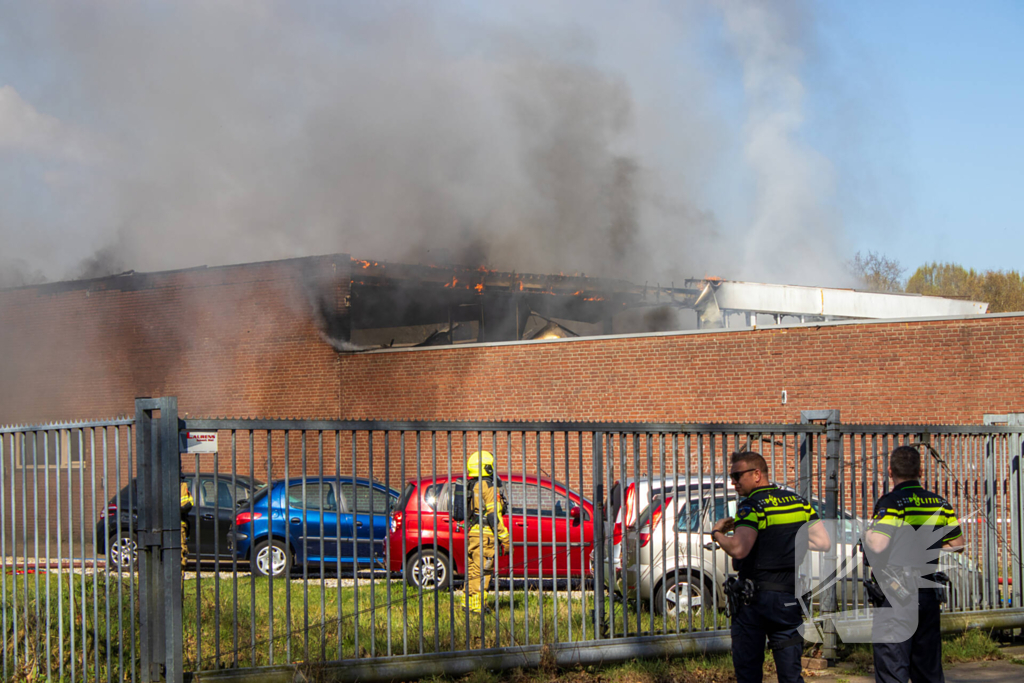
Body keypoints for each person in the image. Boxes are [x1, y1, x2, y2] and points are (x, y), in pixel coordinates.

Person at [712, 451, 832, 683]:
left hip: (755, 601)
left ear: (757, 474)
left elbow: (739, 549)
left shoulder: (751, 506)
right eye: (731, 476)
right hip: (788, 599)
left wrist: (717, 532)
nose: (733, 482)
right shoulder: (799, 502)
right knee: (790, 674)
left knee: (749, 672)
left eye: (737, 476)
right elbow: (823, 542)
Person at [862, 446, 964, 683]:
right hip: (927, 593)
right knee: (927, 670)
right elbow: (958, 545)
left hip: (897, 593)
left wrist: (867, 534)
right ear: (921, 470)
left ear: (890, 471)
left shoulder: (893, 502)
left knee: (893, 667)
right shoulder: (939, 503)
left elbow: (877, 545)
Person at [463, 450, 510, 615]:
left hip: (473, 533)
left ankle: (468, 603)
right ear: (487, 468)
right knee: (483, 571)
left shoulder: (472, 484)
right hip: (486, 536)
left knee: (472, 570)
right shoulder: (488, 486)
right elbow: (493, 514)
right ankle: (478, 607)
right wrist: (505, 537)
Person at [180, 478, 194, 590]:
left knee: (180, 561)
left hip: (178, 527)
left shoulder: (181, 484)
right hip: (176, 527)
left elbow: (187, 505)